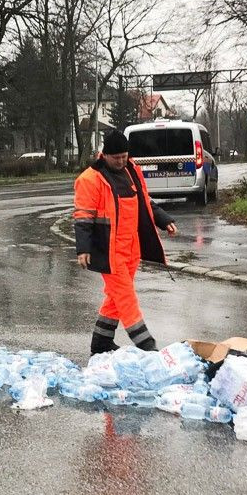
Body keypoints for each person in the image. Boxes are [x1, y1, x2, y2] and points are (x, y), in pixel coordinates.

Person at [73, 130, 177, 355]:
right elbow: (83, 217)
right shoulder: (90, 179)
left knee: (116, 296)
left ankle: (101, 342)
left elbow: (144, 201)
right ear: (104, 155)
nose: (121, 161)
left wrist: (164, 220)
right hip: (108, 250)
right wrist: (83, 248)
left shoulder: (132, 170)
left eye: (124, 156)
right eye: (116, 157)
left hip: (131, 248)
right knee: (126, 297)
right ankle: (148, 347)